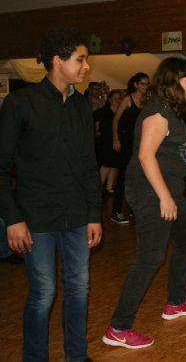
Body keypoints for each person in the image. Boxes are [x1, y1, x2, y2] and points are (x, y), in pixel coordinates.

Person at [0, 26, 102, 361]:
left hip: (76, 215)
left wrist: (94, 215)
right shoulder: (20, 103)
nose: (86, 66)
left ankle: (77, 356)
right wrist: (12, 219)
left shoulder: (81, 106)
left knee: (79, 289)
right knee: (43, 293)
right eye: (80, 59)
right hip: (36, 217)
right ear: (58, 60)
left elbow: (89, 165)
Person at [103, 57, 186, 349]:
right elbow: (145, 155)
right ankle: (118, 327)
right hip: (151, 192)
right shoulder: (158, 111)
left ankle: (175, 302)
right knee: (150, 257)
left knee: (185, 240)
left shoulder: (171, 111)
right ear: (173, 82)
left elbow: (171, 149)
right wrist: (164, 197)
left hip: (169, 189)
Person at [111, 72, 150, 224]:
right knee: (123, 177)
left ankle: (134, 209)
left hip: (139, 143)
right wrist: (116, 139)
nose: (146, 86)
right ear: (136, 84)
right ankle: (116, 211)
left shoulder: (146, 101)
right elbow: (115, 120)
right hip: (126, 142)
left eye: (147, 84)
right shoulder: (128, 99)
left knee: (138, 177)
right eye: (143, 84)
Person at [94, 89, 124, 194]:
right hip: (106, 141)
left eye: (119, 98)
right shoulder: (104, 111)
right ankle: (98, 188)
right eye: (115, 98)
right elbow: (93, 118)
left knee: (115, 164)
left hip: (118, 140)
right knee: (106, 163)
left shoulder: (122, 111)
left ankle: (109, 187)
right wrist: (96, 130)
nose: (117, 100)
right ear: (110, 99)